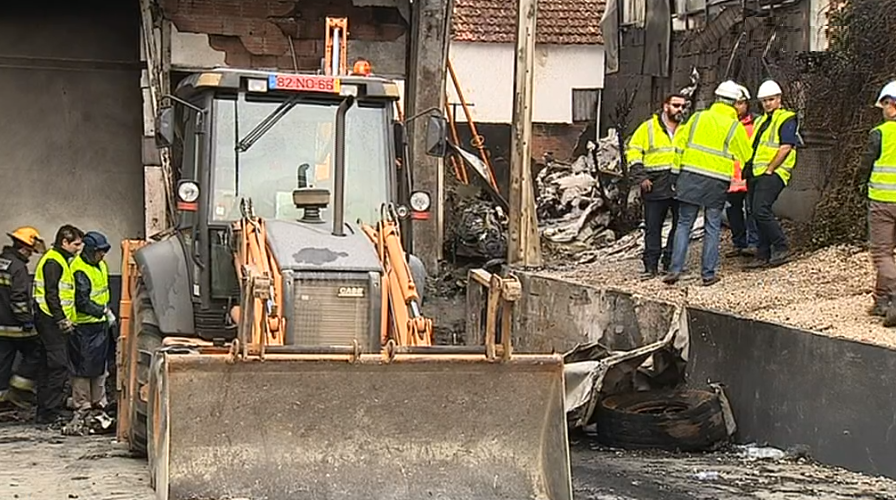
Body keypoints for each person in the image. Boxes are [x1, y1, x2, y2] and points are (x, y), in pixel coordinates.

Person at [662, 81, 752, 287]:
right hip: (716, 182)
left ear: (717, 98)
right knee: (712, 226)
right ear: (735, 103)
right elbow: (745, 154)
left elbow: (679, 146)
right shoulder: (734, 126)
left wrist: (675, 175)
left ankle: (674, 270)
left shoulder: (697, 118)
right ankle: (708, 274)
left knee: (684, 224)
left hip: (690, 177)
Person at [627, 94, 687, 278]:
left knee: (680, 226)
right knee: (653, 227)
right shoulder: (648, 128)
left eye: (683, 106)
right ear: (666, 106)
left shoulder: (686, 129)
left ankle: (669, 261)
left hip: (679, 183)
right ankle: (650, 265)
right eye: (676, 105)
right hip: (654, 184)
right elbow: (634, 151)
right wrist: (641, 177)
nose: (680, 110)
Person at [744, 79, 802, 269]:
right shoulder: (761, 120)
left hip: (773, 172)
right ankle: (763, 254)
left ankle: (781, 246)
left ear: (779, 99)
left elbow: (785, 147)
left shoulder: (786, 118)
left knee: (761, 209)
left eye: (771, 99)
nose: (767, 103)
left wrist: (770, 169)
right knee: (755, 211)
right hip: (757, 172)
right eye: (764, 100)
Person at [33, 224, 84, 424]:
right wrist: (61, 319)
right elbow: (51, 294)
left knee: (49, 366)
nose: (78, 248)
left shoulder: (59, 259)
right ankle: (49, 411)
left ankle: (45, 410)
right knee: (58, 366)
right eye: (76, 244)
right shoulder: (54, 262)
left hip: (50, 320)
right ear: (65, 242)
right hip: (50, 321)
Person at [69, 231, 115, 413]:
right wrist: (102, 311)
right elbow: (82, 302)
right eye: (99, 251)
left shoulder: (100, 265)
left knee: (99, 365)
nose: (102, 255)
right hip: (83, 326)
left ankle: (99, 401)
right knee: (83, 367)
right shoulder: (79, 268)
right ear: (89, 250)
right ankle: (83, 404)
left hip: (99, 324)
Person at [861, 81, 896, 321]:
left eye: (884, 104)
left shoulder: (880, 133)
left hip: (883, 201)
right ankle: (881, 299)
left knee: (882, 253)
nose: (883, 109)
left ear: (891, 106)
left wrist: (860, 184)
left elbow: (865, 166)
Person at [0, 227, 45, 409]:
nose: (30, 255)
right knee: (35, 352)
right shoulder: (18, 267)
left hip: (1, 324)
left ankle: (2, 397)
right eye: (31, 251)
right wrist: (26, 319)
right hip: (16, 326)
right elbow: (19, 297)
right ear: (25, 248)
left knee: (3, 360)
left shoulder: (2, 262)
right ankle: (18, 390)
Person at [725, 85, 760, 257]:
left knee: (751, 210)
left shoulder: (756, 123)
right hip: (730, 176)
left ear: (747, 104)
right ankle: (739, 243)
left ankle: (753, 243)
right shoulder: (726, 124)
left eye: (740, 103)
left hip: (748, 175)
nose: (737, 107)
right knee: (733, 211)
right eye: (734, 103)